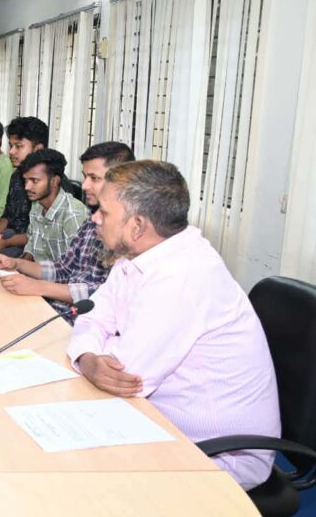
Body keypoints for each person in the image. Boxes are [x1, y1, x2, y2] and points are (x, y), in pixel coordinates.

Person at [67, 160, 279, 490]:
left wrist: (95, 354)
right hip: (160, 419)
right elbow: (93, 314)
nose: (95, 218)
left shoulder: (183, 275)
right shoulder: (138, 256)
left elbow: (126, 375)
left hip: (217, 452)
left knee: (81, 477)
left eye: (104, 212)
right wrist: (86, 357)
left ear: (137, 226)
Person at [0, 141, 135, 320]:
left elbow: (104, 294)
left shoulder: (128, 231)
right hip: (56, 307)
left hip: (77, 320)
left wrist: (37, 286)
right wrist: (17, 264)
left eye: (94, 178)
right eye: (85, 177)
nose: (84, 186)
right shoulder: (92, 222)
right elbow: (63, 269)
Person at [0, 117, 49, 255]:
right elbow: (7, 215)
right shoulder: (16, 175)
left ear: (38, 149)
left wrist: (6, 242)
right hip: (9, 237)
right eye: (11, 145)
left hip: (31, 248)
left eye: (18, 146)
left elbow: (42, 234)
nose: (11, 151)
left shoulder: (50, 183)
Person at [16, 149, 89, 263]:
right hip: (38, 270)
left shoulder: (73, 213)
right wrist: (20, 263)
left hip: (57, 274)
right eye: (26, 180)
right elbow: (32, 241)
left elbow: (76, 267)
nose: (27, 187)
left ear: (54, 181)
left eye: (34, 181)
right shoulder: (37, 205)